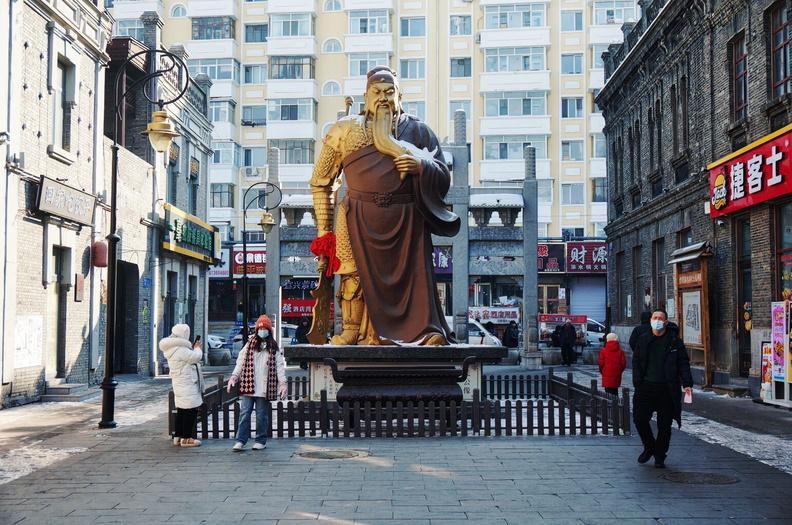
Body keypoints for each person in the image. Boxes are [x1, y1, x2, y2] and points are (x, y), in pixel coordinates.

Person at [309, 65, 460, 346]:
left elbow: (443, 175)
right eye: (376, 93)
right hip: (356, 216)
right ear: (366, 97)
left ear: (399, 96)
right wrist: (323, 230)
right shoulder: (344, 130)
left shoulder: (419, 132)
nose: (382, 98)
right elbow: (321, 181)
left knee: (412, 279)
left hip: (407, 220)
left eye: (389, 92)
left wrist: (421, 166)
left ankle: (419, 332)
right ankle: (352, 329)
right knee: (351, 273)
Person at [632, 308, 694, 468]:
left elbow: (683, 363)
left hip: (667, 389)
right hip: (646, 387)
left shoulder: (674, 342)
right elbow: (637, 362)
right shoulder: (643, 340)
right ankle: (649, 446)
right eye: (655, 317)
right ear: (651, 320)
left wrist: (687, 383)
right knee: (639, 419)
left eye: (660, 318)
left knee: (664, 425)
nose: (657, 320)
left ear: (666, 322)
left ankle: (660, 455)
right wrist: (638, 382)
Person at [227, 315, 287, 451]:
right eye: (260, 328)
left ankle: (261, 439)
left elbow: (279, 366)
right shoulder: (249, 345)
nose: (262, 331)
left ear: (269, 330)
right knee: (244, 414)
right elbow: (240, 362)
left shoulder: (273, 347)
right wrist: (234, 376)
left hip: (264, 387)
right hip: (249, 385)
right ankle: (240, 440)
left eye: (264, 328)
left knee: (261, 415)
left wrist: (282, 384)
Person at [159, 324, 204, 448]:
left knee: (182, 410)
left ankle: (178, 436)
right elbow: (195, 357)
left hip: (179, 383)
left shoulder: (172, 349)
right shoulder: (181, 349)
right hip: (188, 383)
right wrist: (197, 348)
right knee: (190, 410)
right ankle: (186, 438)